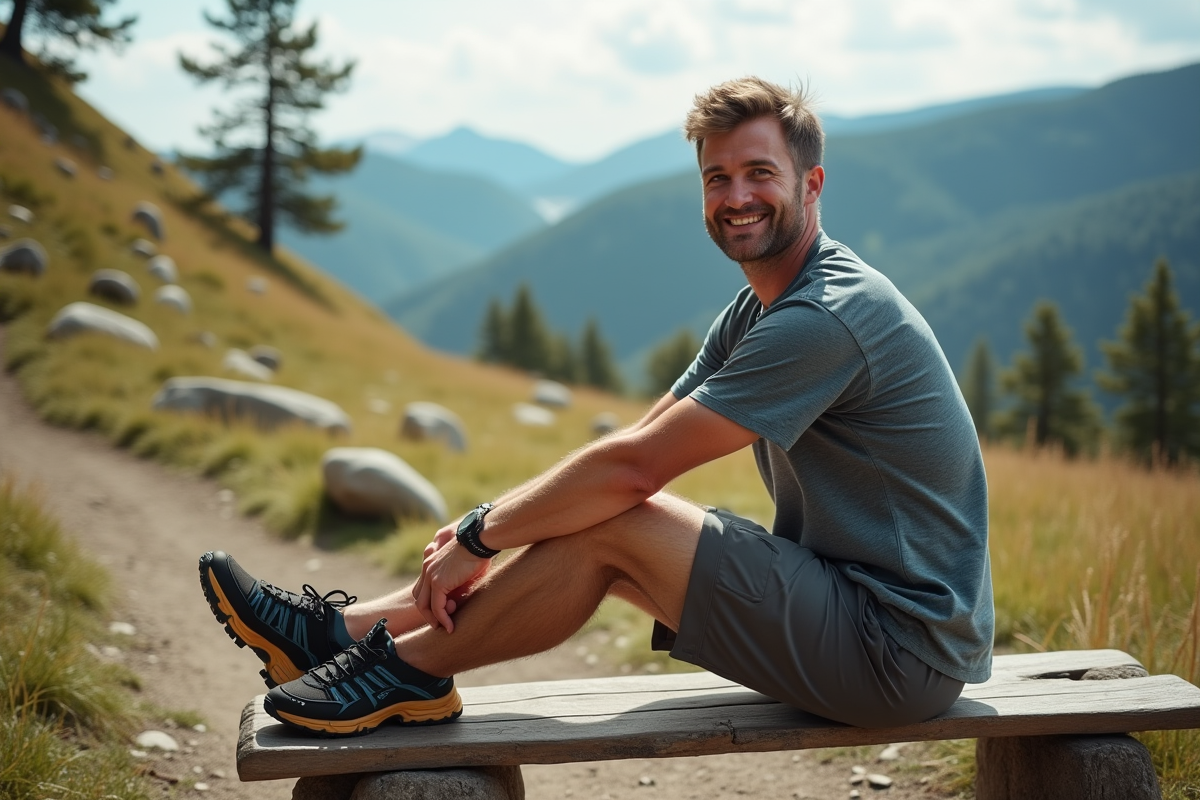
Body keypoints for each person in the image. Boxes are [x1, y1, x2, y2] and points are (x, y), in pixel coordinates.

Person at [199, 76, 993, 737]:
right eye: (717, 177)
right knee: (595, 517)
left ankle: (404, 676)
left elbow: (637, 470)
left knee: (619, 514)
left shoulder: (823, 318)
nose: (736, 195)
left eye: (760, 173)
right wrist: (509, 521)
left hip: (900, 652)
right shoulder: (759, 308)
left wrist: (479, 534)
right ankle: (337, 638)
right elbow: (638, 438)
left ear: (810, 184)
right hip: (852, 610)